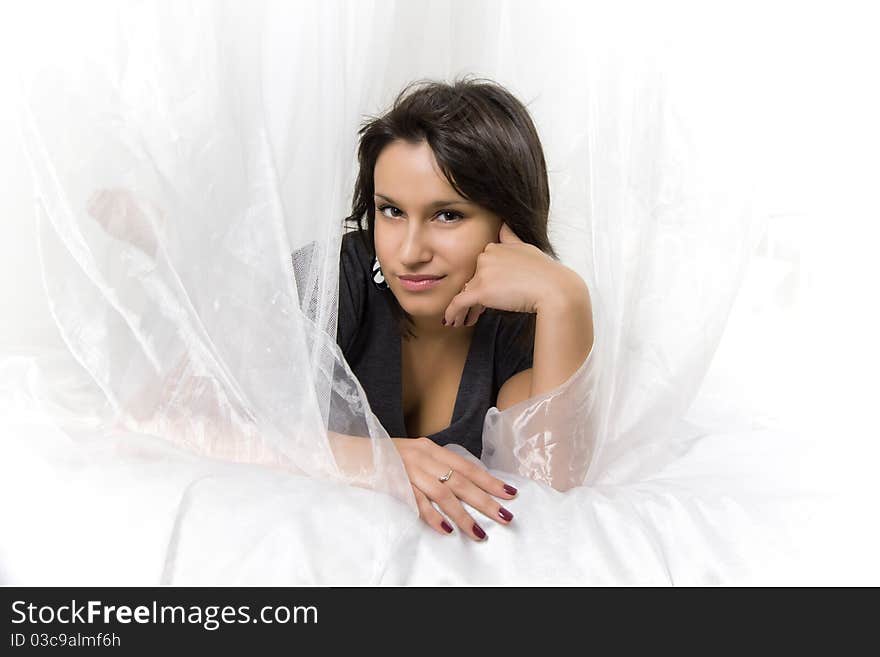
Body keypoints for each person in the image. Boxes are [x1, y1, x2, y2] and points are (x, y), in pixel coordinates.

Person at [326, 76, 595, 541]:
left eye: (447, 215)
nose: (409, 252)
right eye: (390, 211)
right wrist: (383, 461)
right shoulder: (338, 277)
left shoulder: (523, 330)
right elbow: (193, 414)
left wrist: (565, 297)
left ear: (509, 220)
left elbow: (552, 492)